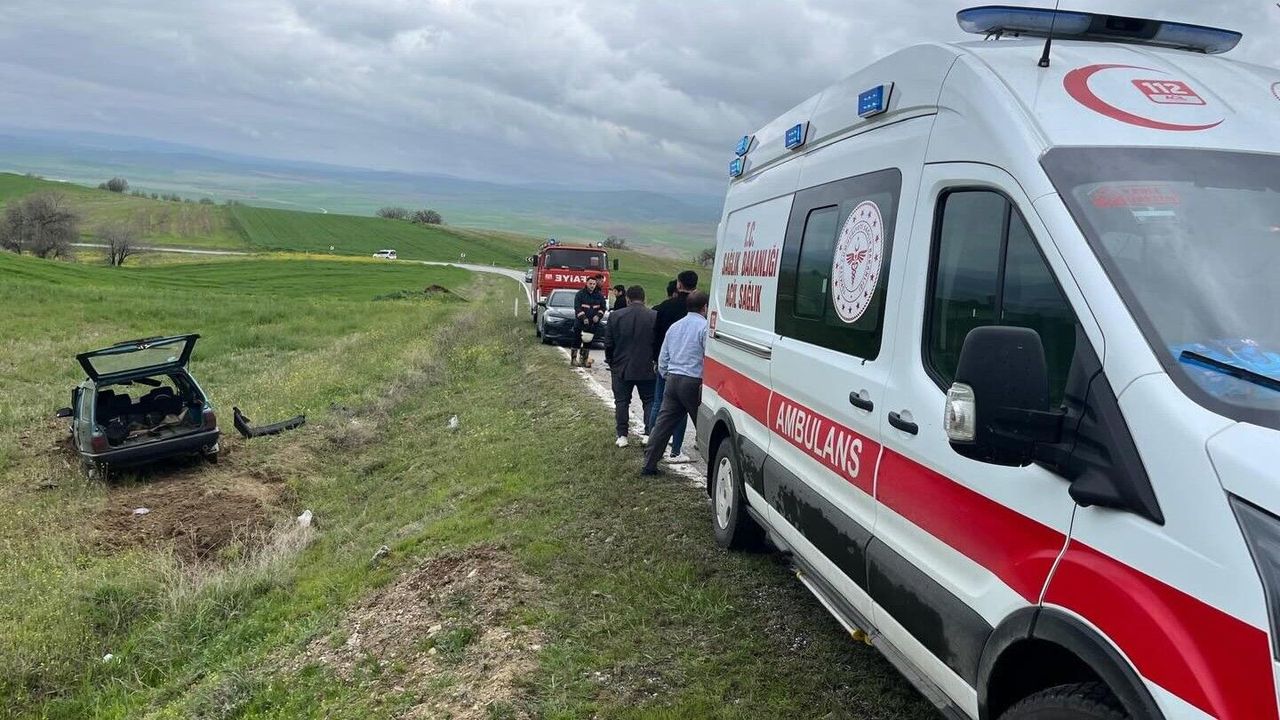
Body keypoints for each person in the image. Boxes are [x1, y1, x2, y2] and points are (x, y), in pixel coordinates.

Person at [642, 290, 709, 476]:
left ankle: (649, 464)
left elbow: (663, 356)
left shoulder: (675, 327)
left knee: (663, 424)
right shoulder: (705, 328)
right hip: (693, 381)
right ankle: (712, 470)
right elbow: (708, 356)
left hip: (672, 379)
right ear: (705, 307)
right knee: (704, 427)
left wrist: (666, 374)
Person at [647, 270, 698, 462]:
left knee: (659, 404)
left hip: (666, 363)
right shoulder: (698, 312)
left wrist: (656, 361)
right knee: (682, 411)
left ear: (678, 284)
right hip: (689, 368)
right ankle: (676, 449)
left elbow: (656, 336)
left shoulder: (664, 307)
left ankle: (651, 440)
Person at [603, 286, 656, 447]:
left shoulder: (615, 316)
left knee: (621, 401)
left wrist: (611, 361)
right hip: (647, 366)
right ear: (644, 299)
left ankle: (622, 435)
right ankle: (648, 433)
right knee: (649, 401)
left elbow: (608, 343)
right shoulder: (654, 316)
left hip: (621, 366)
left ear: (627, 299)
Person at [572, 275, 607, 367]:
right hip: (580, 322)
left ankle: (584, 360)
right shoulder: (580, 294)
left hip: (592, 324)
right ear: (586, 283)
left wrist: (598, 316)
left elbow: (603, 308)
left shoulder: (599, 296)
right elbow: (577, 308)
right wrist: (583, 318)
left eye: (594, 284)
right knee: (576, 340)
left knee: (588, 341)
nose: (592, 285)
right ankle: (574, 359)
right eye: (590, 283)